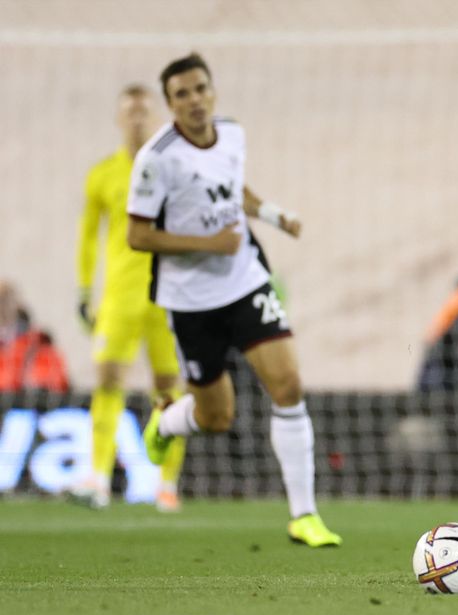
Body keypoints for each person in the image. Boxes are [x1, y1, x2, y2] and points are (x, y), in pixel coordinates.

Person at [126, 53, 340, 547]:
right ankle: (168, 419)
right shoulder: (156, 159)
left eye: (200, 89)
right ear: (170, 103)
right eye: (182, 95)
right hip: (191, 301)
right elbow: (137, 235)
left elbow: (230, 189)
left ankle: (304, 516)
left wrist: (272, 213)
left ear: (212, 91)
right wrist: (208, 245)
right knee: (216, 417)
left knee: (287, 386)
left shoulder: (233, 134)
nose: (194, 101)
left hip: (245, 282)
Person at [69, 84, 187, 511]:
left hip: (167, 298)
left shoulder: (172, 171)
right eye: (130, 112)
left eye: (143, 112)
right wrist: (85, 290)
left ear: (154, 117)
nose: (137, 118)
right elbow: (87, 238)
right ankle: (98, 478)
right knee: (107, 381)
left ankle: (167, 484)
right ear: (120, 119)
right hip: (119, 298)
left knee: (168, 389)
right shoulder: (102, 174)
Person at [0, 281, 69, 393]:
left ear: (17, 304)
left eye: (5, 300)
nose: (2, 306)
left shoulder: (40, 345)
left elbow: (53, 384)